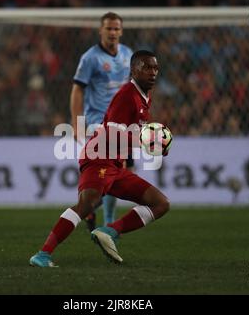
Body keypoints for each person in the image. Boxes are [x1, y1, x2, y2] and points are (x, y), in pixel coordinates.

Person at [30, 50, 170, 267]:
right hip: (99, 158)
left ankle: (109, 231)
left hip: (115, 164)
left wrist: (155, 144)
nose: (153, 72)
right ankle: (43, 254)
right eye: (147, 67)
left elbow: (135, 132)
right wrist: (146, 143)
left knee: (160, 204)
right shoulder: (127, 95)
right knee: (87, 204)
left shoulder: (144, 96)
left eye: (156, 68)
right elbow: (113, 134)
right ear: (133, 70)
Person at [70, 12, 133, 231]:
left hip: (123, 124)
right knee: (115, 172)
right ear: (101, 30)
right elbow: (78, 89)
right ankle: (108, 224)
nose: (113, 32)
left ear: (121, 31)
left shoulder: (128, 55)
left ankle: (91, 211)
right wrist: (77, 122)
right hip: (99, 121)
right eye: (109, 28)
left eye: (116, 29)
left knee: (121, 175)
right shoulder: (90, 58)